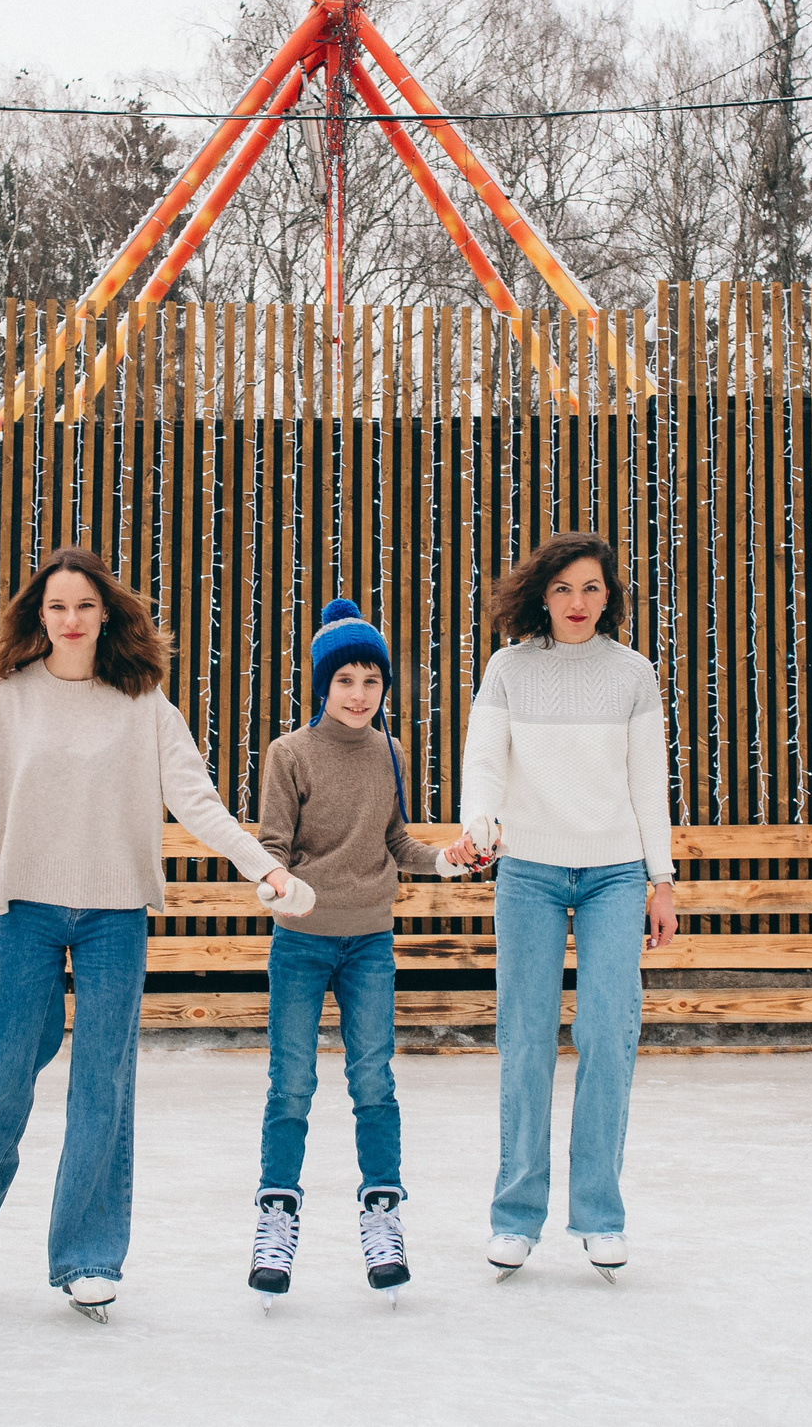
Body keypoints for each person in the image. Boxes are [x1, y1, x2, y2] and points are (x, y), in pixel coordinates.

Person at [0, 546, 300, 1323]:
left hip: (115, 913)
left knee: (102, 1086)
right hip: (25, 907)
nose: (71, 619)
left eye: (84, 605)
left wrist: (266, 866)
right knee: (2, 1070)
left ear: (106, 613)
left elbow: (198, 801)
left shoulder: (142, 700)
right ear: (39, 616)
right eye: (57, 606)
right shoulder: (5, 697)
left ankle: (88, 1255)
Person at [244, 598, 480, 1307]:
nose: (358, 693)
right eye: (344, 680)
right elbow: (272, 848)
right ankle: (277, 1214)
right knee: (291, 1081)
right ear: (323, 684)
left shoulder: (390, 752)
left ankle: (383, 1210)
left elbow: (395, 841)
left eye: (371, 681)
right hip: (301, 942)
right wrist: (276, 886)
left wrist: (444, 861)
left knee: (373, 1078)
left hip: (370, 942)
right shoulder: (288, 754)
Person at [457, 532, 676, 1282]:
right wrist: (479, 820)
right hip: (529, 872)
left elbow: (648, 783)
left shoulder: (633, 674)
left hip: (615, 873)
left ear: (609, 596)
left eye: (590, 588)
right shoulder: (509, 669)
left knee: (608, 1033)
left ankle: (601, 1214)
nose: (576, 602)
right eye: (562, 588)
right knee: (525, 1039)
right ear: (541, 596)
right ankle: (515, 1217)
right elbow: (484, 760)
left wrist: (661, 879)